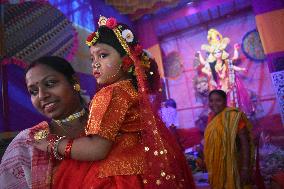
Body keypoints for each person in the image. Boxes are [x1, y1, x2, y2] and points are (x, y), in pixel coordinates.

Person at [31, 16, 196, 188]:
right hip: (143, 170)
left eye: (103, 55)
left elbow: (97, 148)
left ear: (127, 60)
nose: (95, 64)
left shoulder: (111, 93)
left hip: (116, 177)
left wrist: (53, 144)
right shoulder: (131, 91)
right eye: (92, 58)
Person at [0, 56, 88, 188]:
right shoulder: (26, 144)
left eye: (50, 83)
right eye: (33, 91)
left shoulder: (111, 124)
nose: (41, 95)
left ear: (74, 81)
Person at [203, 89, 254, 189]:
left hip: (234, 164)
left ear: (225, 101)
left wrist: (245, 167)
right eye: (211, 101)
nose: (214, 104)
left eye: (218, 100)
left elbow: (245, 143)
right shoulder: (211, 117)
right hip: (217, 166)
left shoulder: (234, 116)